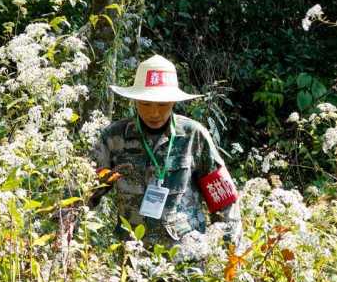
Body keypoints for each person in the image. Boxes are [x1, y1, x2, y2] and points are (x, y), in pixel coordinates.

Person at [90, 54, 243, 250]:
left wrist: (230, 254)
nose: (154, 113)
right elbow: (85, 191)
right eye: (146, 103)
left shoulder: (193, 135)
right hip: (132, 260)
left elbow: (224, 200)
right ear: (135, 100)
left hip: (186, 259)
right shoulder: (114, 137)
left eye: (162, 104)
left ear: (173, 101)